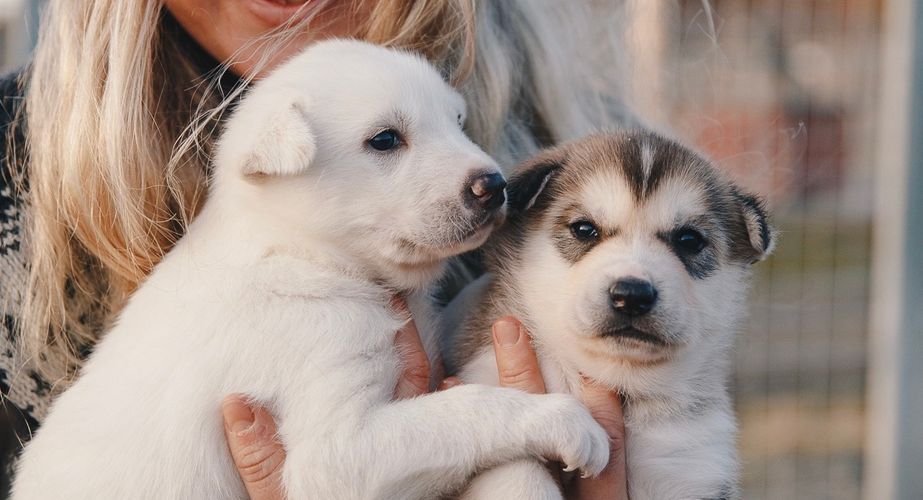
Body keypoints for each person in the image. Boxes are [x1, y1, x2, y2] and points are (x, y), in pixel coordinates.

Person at [0, 1, 634, 497]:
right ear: (277, 166)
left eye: (455, 123)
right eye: (386, 142)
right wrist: (519, 419)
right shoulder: (278, 304)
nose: (481, 171)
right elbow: (336, 468)